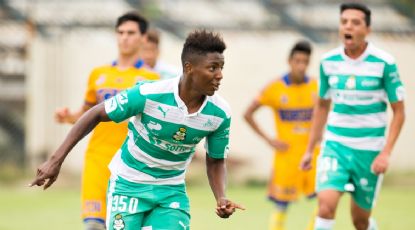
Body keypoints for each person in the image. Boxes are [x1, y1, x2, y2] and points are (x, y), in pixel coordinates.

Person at [31, 30, 244, 230]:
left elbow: (216, 160)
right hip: (128, 183)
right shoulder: (148, 93)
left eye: (221, 68)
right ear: (189, 68)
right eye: (213, 68)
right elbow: (96, 113)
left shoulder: (219, 113)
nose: (220, 75)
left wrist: (220, 196)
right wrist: (55, 160)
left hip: (171, 190)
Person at [300, 3, 406, 230]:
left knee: (360, 221)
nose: (348, 26)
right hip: (335, 145)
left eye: (355, 22)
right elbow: (322, 106)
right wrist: (310, 149)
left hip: (369, 151)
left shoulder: (384, 63)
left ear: (367, 29)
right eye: (344, 21)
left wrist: (386, 153)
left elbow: (399, 112)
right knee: (325, 205)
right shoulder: (328, 62)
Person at [54, 12, 159, 230]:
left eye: (130, 33)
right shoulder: (98, 74)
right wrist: (68, 117)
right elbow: (86, 114)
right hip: (97, 159)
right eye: (120, 32)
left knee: (124, 225)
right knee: (93, 225)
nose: (124, 37)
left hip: (131, 164)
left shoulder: (152, 80)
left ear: (142, 38)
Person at [244, 41, 319, 230]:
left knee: (324, 201)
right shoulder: (275, 88)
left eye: (305, 62)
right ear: (289, 61)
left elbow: (329, 112)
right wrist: (269, 140)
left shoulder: (317, 87)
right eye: (297, 61)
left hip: (313, 155)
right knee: (281, 205)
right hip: (287, 156)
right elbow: (248, 113)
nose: (301, 66)